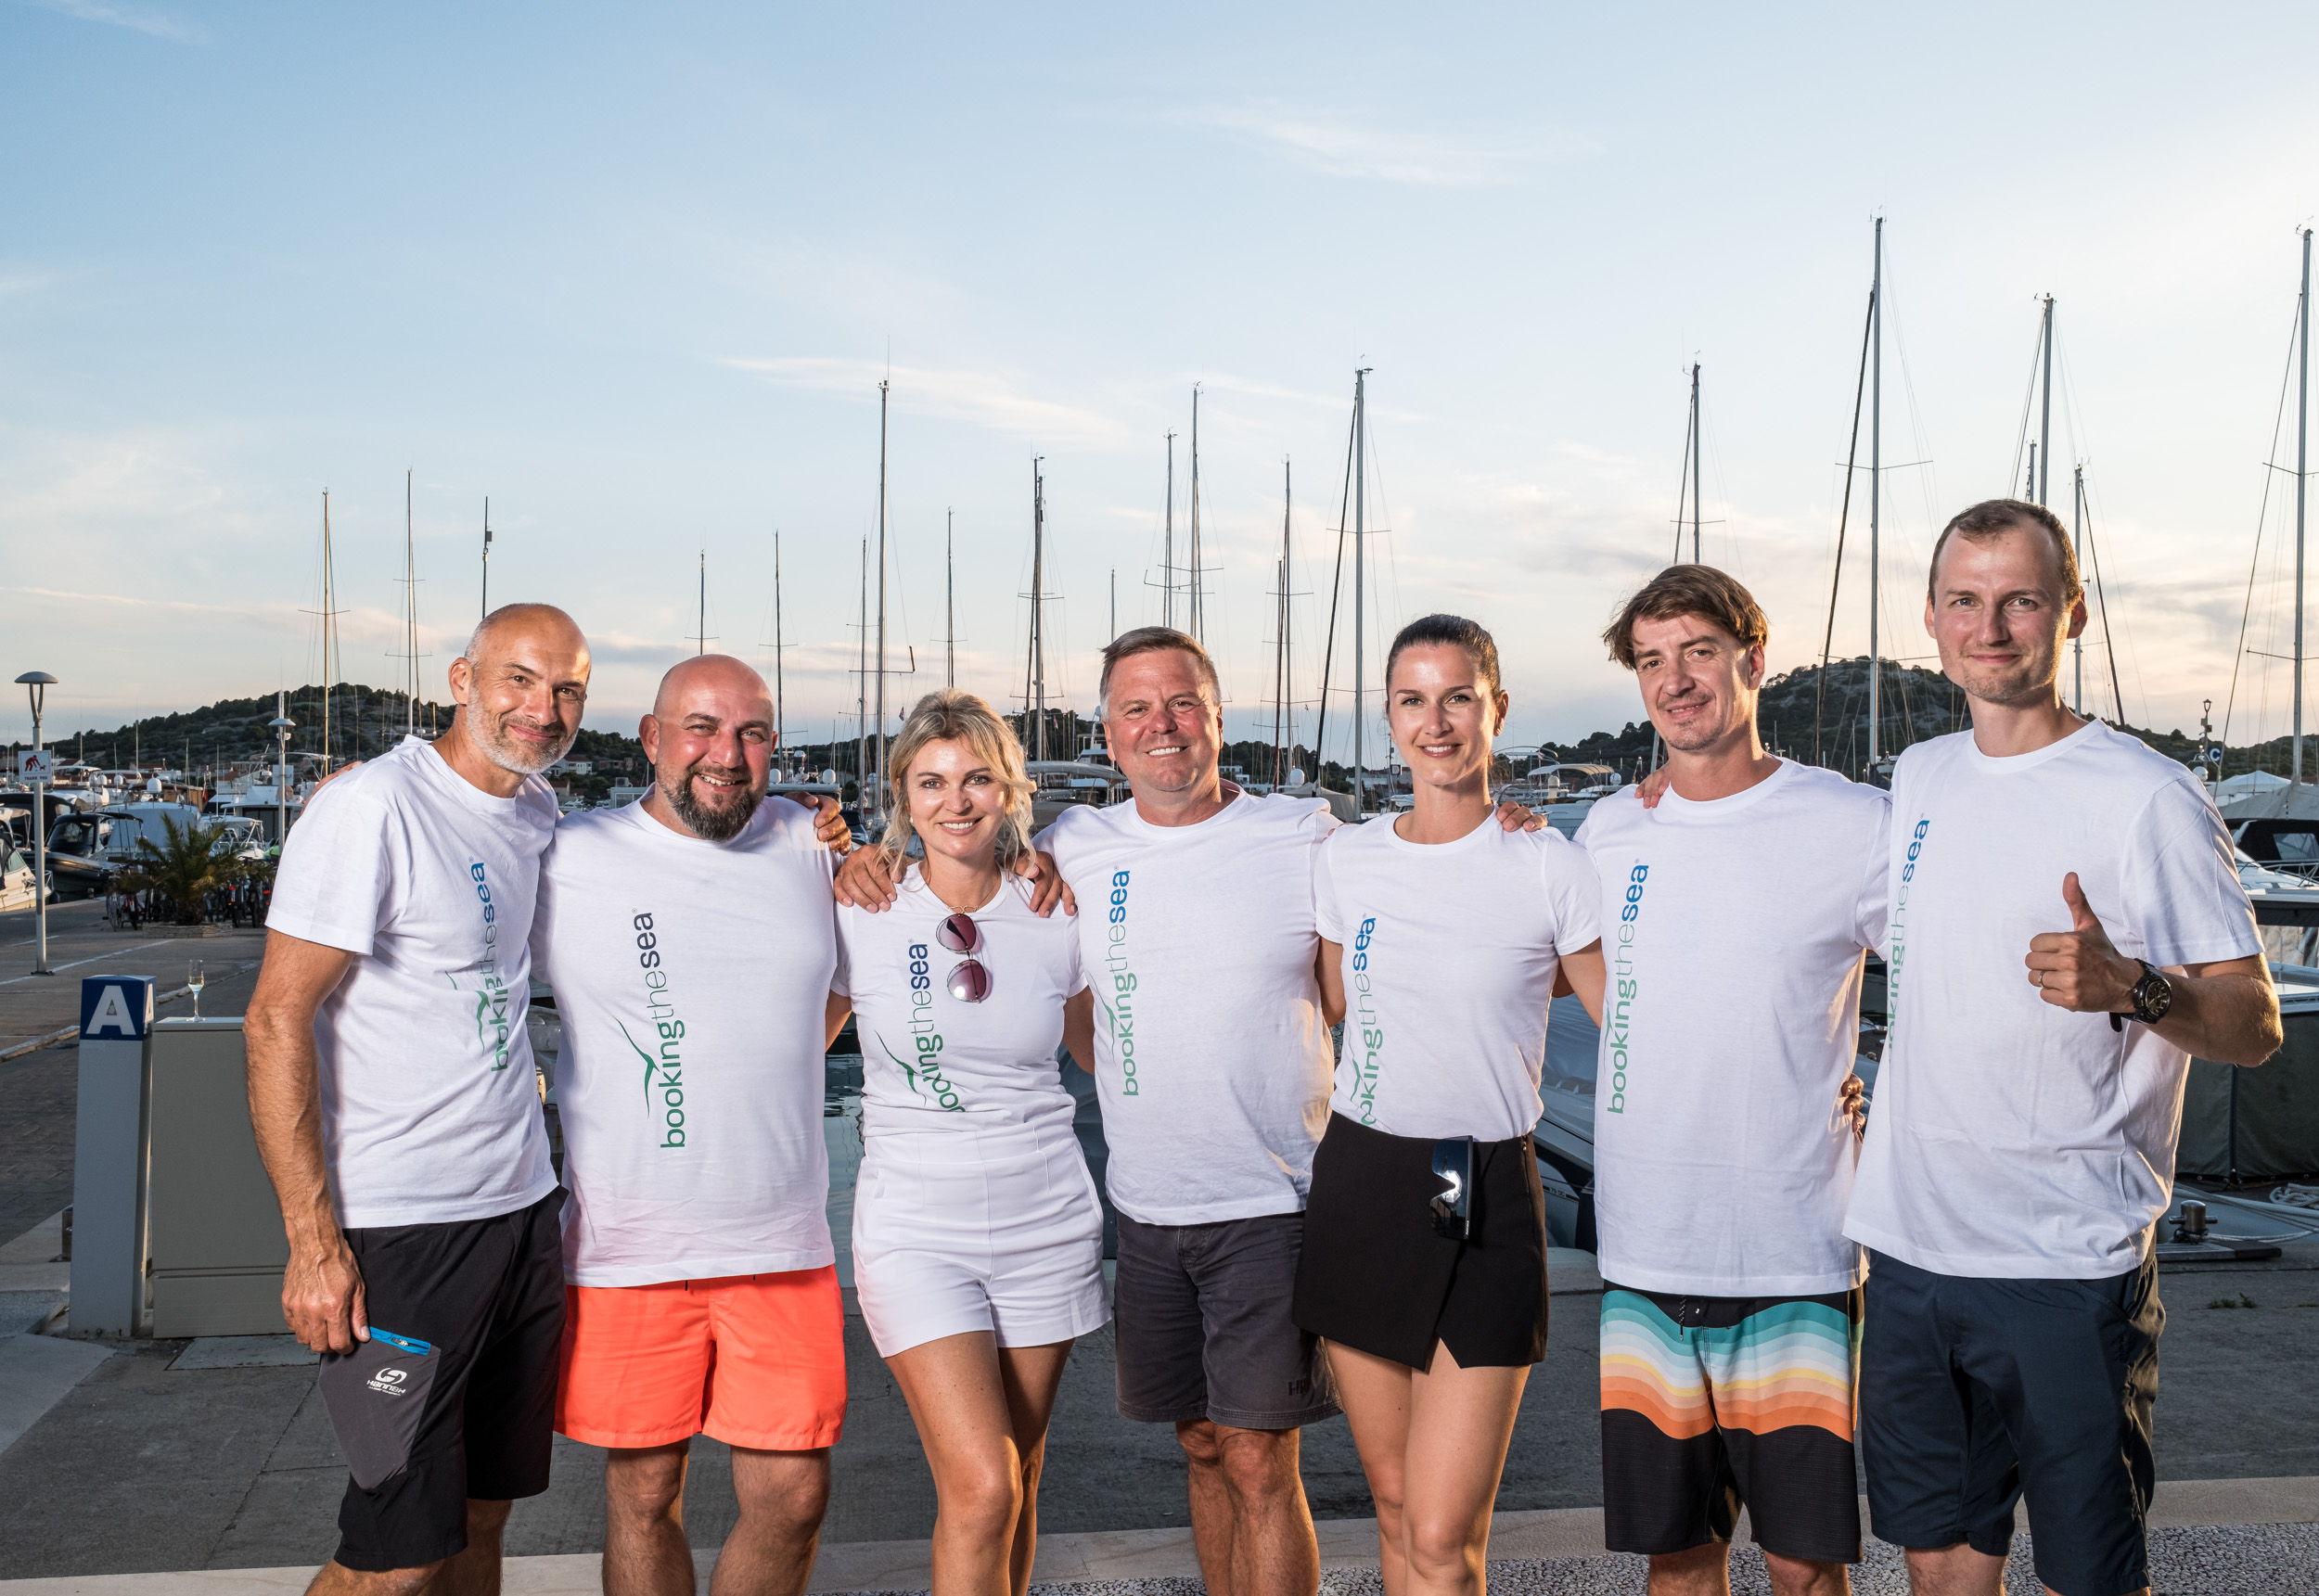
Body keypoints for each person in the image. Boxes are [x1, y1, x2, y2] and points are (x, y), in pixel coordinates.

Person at [1844, 500, 2281, 1596]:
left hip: (2064, 1259)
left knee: (2089, 1575)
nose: (1988, 626)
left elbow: (2254, 1021)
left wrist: (2133, 986)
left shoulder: (2148, 796)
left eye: (2020, 600)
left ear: (2070, 613)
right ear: (1931, 617)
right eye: (1964, 599)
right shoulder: (1921, 772)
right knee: (1939, 1562)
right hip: (1909, 1246)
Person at [247, 604, 591, 1596]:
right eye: (519, 678)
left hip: (519, 1212)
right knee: (394, 1552)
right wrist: (313, 1243)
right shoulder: (372, 806)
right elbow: (275, 1018)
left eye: (566, 688)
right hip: (401, 1232)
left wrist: (819, 833)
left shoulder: (535, 809)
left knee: (482, 1515)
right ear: (462, 679)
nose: (542, 707)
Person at [1577, 567, 1886, 1596]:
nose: (1674, 680)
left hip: (1793, 1248)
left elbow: (1951, 974)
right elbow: (1594, 983)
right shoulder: (1611, 829)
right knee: (1675, 1558)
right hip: (1646, 1243)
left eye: (1698, 651)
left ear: (1753, 660)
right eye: (1651, 660)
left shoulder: (1850, 821)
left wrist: (1888, 1105)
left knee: (1803, 1564)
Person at [532, 655, 848, 1596]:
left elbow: (843, 988)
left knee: (793, 1494)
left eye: (751, 732)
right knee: (642, 1491)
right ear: (652, 737)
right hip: (630, 1244)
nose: (726, 753)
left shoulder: (808, 841)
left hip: (781, 1238)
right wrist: (365, 789)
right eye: (702, 727)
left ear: (774, 745)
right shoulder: (569, 854)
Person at [1300, 616, 1604, 1596]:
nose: (1436, 721)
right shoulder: (1345, 858)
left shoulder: (1548, 862)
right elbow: (1325, 1002)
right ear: (1389, 718)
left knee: (1440, 1529)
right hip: (1364, 1179)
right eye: (1413, 699)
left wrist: (1825, 1082)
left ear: (1496, 709)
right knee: (1395, 1505)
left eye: (1458, 696)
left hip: (1485, 1181)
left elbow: (1633, 1020)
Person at [832, 689, 1108, 1596]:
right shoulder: (860, 910)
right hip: (916, 1228)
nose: (956, 800)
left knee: (1018, 1474)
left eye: (977, 778)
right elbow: (790, 1043)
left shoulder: (1057, 909)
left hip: (1045, 1219)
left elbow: (1100, 1052)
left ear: (1011, 790)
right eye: (932, 781)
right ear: (903, 797)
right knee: (983, 1484)